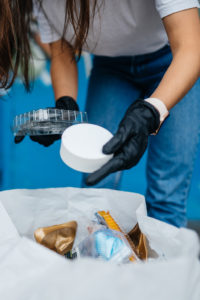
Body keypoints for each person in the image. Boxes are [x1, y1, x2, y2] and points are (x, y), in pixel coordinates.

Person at [15, 0, 200, 228]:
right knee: (96, 189)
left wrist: (151, 111)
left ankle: (168, 263)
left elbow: (191, 48)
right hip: (111, 68)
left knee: (167, 194)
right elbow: (61, 51)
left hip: (172, 59)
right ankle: (97, 258)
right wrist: (66, 105)